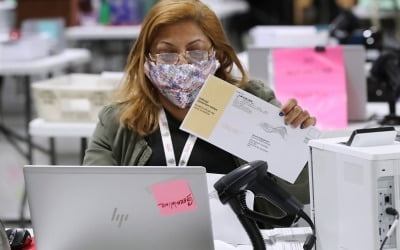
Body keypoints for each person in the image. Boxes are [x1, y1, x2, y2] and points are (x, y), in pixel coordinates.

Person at [83, 0, 316, 226]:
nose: (182, 63)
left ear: (217, 53)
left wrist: (297, 145)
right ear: (147, 58)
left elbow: (301, 196)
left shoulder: (251, 104)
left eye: (195, 51)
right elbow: (94, 201)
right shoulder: (119, 121)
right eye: (167, 53)